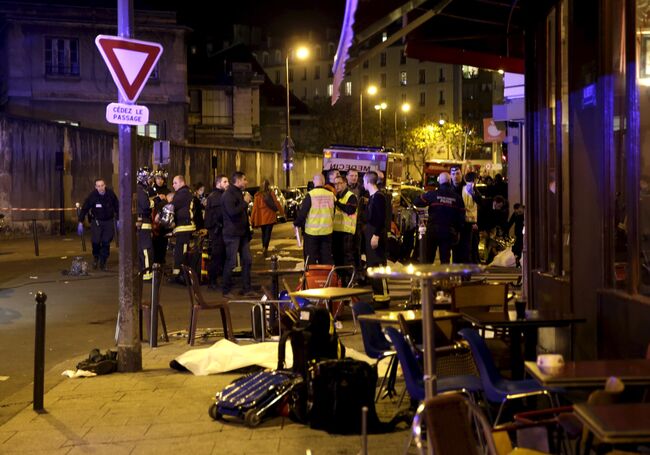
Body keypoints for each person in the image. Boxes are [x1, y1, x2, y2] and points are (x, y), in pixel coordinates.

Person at [414, 172, 465, 264]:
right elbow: (461, 217)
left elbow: (417, 201)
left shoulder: (432, 194)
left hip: (433, 230)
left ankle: (427, 278)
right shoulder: (457, 198)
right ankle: (444, 278)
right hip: (448, 232)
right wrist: (457, 231)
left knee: (428, 258)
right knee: (445, 260)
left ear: (439, 182)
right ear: (450, 181)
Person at [221, 171, 256, 299]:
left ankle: (247, 289)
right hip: (232, 234)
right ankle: (226, 290)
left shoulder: (237, 193)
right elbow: (232, 212)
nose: (246, 182)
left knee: (247, 260)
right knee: (231, 262)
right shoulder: (228, 195)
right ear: (238, 180)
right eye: (244, 179)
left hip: (242, 233)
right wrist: (245, 202)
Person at [77, 178, 119, 271]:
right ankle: (96, 257)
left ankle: (103, 262)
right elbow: (85, 208)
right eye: (98, 186)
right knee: (95, 241)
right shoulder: (93, 196)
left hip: (108, 221)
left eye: (102, 185)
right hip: (96, 222)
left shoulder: (110, 194)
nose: (100, 188)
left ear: (105, 185)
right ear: (96, 187)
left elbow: (117, 206)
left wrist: (119, 220)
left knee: (106, 242)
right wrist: (80, 221)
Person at [294, 174, 335, 265]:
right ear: (324, 182)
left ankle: (312, 277)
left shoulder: (310, 195)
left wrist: (296, 223)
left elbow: (303, 213)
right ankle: (326, 277)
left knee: (311, 258)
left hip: (312, 233)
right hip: (327, 232)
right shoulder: (331, 195)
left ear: (314, 182)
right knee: (326, 257)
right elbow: (334, 212)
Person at [363, 171, 390, 309]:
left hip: (376, 234)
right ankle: (377, 296)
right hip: (372, 233)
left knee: (379, 265)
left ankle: (384, 297)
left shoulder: (378, 197)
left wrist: (376, 235)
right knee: (372, 266)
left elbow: (380, 218)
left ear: (367, 182)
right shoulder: (373, 197)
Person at [170, 175, 195, 283]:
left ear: (181, 183)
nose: (173, 185)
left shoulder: (182, 193)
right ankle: (178, 274)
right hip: (183, 226)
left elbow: (172, 206)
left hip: (184, 227)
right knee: (179, 251)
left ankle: (181, 275)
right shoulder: (185, 192)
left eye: (175, 183)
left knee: (182, 252)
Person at [332, 175, 357, 284]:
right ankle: (341, 281)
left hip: (347, 233)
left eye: (339, 183)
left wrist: (336, 202)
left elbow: (350, 210)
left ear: (345, 183)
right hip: (336, 232)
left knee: (347, 258)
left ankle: (350, 281)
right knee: (338, 259)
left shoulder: (351, 196)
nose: (337, 186)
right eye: (335, 184)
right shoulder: (337, 197)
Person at [204, 174, 228, 290]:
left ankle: (216, 279)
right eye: (225, 182)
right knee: (217, 255)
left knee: (220, 255)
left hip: (218, 229)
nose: (227, 184)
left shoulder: (218, 195)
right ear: (218, 183)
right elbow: (219, 214)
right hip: (217, 230)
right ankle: (212, 280)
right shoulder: (216, 196)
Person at [251, 179, 284, 256]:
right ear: (268, 185)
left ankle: (263, 247)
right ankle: (265, 247)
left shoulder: (257, 195)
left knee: (263, 233)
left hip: (262, 217)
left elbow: (255, 208)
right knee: (268, 233)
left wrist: (252, 219)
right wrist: (281, 212)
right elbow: (276, 202)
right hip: (270, 216)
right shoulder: (271, 193)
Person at [148, 170, 170, 265]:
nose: (159, 181)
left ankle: (162, 261)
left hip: (164, 221)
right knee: (154, 242)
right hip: (153, 220)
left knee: (163, 242)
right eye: (157, 178)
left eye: (161, 179)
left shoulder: (167, 191)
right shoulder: (150, 191)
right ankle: (155, 262)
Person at [136, 167, 154, 280]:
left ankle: (144, 272)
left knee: (142, 248)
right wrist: (154, 201)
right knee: (146, 248)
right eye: (149, 178)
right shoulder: (141, 191)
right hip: (144, 222)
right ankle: (148, 274)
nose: (151, 181)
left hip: (140, 222)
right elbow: (146, 205)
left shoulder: (139, 189)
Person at [462, 172, 482, 264]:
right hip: (471, 221)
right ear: (474, 180)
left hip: (464, 220)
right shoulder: (472, 189)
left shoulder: (462, 189)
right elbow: (479, 202)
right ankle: (472, 264)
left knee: (468, 245)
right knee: (471, 245)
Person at [449, 165, 468, 263]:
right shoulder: (448, 190)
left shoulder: (467, 188)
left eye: (457, 173)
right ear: (450, 176)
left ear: (461, 174)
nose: (455, 176)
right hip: (453, 226)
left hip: (467, 225)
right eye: (453, 174)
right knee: (455, 252)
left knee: (466, 252)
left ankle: (466, 277)